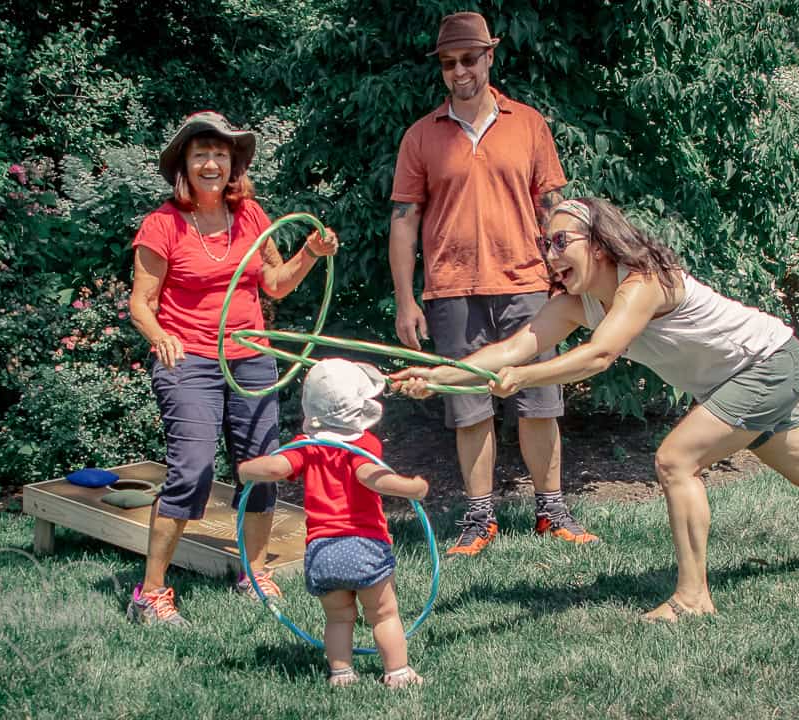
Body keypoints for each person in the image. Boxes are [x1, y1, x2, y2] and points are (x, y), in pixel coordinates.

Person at [391, 197, 799, 621]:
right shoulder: (576, 304)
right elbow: (509, 351)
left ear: (600, 243)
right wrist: (436, 378)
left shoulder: (644, 281)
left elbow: (599, 355)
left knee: (676, 461)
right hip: (739, 377)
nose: (550, 254)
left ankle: (692, 597)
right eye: (544, 243)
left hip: (767, 363)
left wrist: (525, 379)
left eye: (561, 241)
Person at [389, 11, 598, 557]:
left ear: (489, 57)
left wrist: (565, 275)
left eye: (469, 59)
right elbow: (404, 221)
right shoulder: (420, 136)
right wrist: (406, 300)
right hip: (451, 289)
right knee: (469, 408)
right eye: (448, 62)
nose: (459, 71)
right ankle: (479, 518)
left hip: (527, 283)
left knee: (540, 402)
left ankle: (552, 510)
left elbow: (553, 208)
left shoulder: (527, 124)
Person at [127, 111, 340, 626]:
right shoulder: (162, 224)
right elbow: (141, 304)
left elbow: (276, 284)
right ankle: (149, 593)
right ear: (184, 165)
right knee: (192, 471)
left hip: (250, 357)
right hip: (190, 360)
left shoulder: (251, 216)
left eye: (220, 154)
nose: (211, 163)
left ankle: (254, 573)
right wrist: (160, 337)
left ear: (233, 164)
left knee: (262, 468)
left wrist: (311, 253)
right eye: (201, 153)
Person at [239, 358, 429, 688]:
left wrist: (245, 470)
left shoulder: (307, 445)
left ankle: (341, 674)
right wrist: (410, 488)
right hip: (364, 545)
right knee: (383, 613)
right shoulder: (364, 445)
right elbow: (371, 476)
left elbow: (276, 468)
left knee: (339, 617)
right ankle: (397, 672)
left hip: (322, 551)